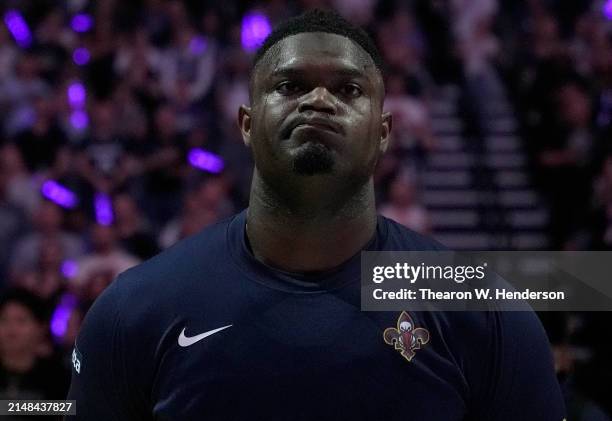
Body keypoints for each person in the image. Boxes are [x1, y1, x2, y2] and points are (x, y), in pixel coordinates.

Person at [68, 10, 566, 420]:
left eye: (349, 90)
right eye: (289, 85)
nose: (318, 101)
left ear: (386, 130)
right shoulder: (133, 309)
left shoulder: (485, 311)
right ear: (245, 123)